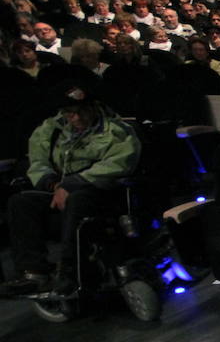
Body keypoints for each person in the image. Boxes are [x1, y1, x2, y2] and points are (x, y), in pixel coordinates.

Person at [2, 85, 141, 295]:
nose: (75, 118)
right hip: (59, 187)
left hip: (100, 190)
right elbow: (37, 161)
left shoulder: (115, 129)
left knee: (78, 199)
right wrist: (54, 184)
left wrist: (73, 184)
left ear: (92, 108)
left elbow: (120, 163)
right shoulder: (52, 129)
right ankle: (34, 273)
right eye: (69, 113)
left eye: (80, 112)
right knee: (20, 203)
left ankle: (69, 270)